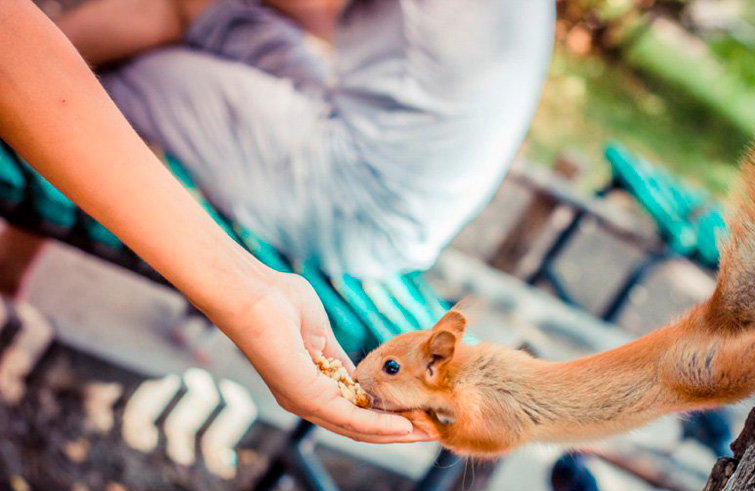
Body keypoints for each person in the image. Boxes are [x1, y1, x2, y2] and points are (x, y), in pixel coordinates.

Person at [0, 0, 427, 444]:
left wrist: (250, 296)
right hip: (396, 225)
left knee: (174, 19)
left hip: (347, 191)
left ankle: (12, 267)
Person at [52, 0, 555, 281]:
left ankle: (25, 75)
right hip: (388, 187)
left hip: (353, 202)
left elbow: (314, 6)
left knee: (125, 68)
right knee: (207, 9)